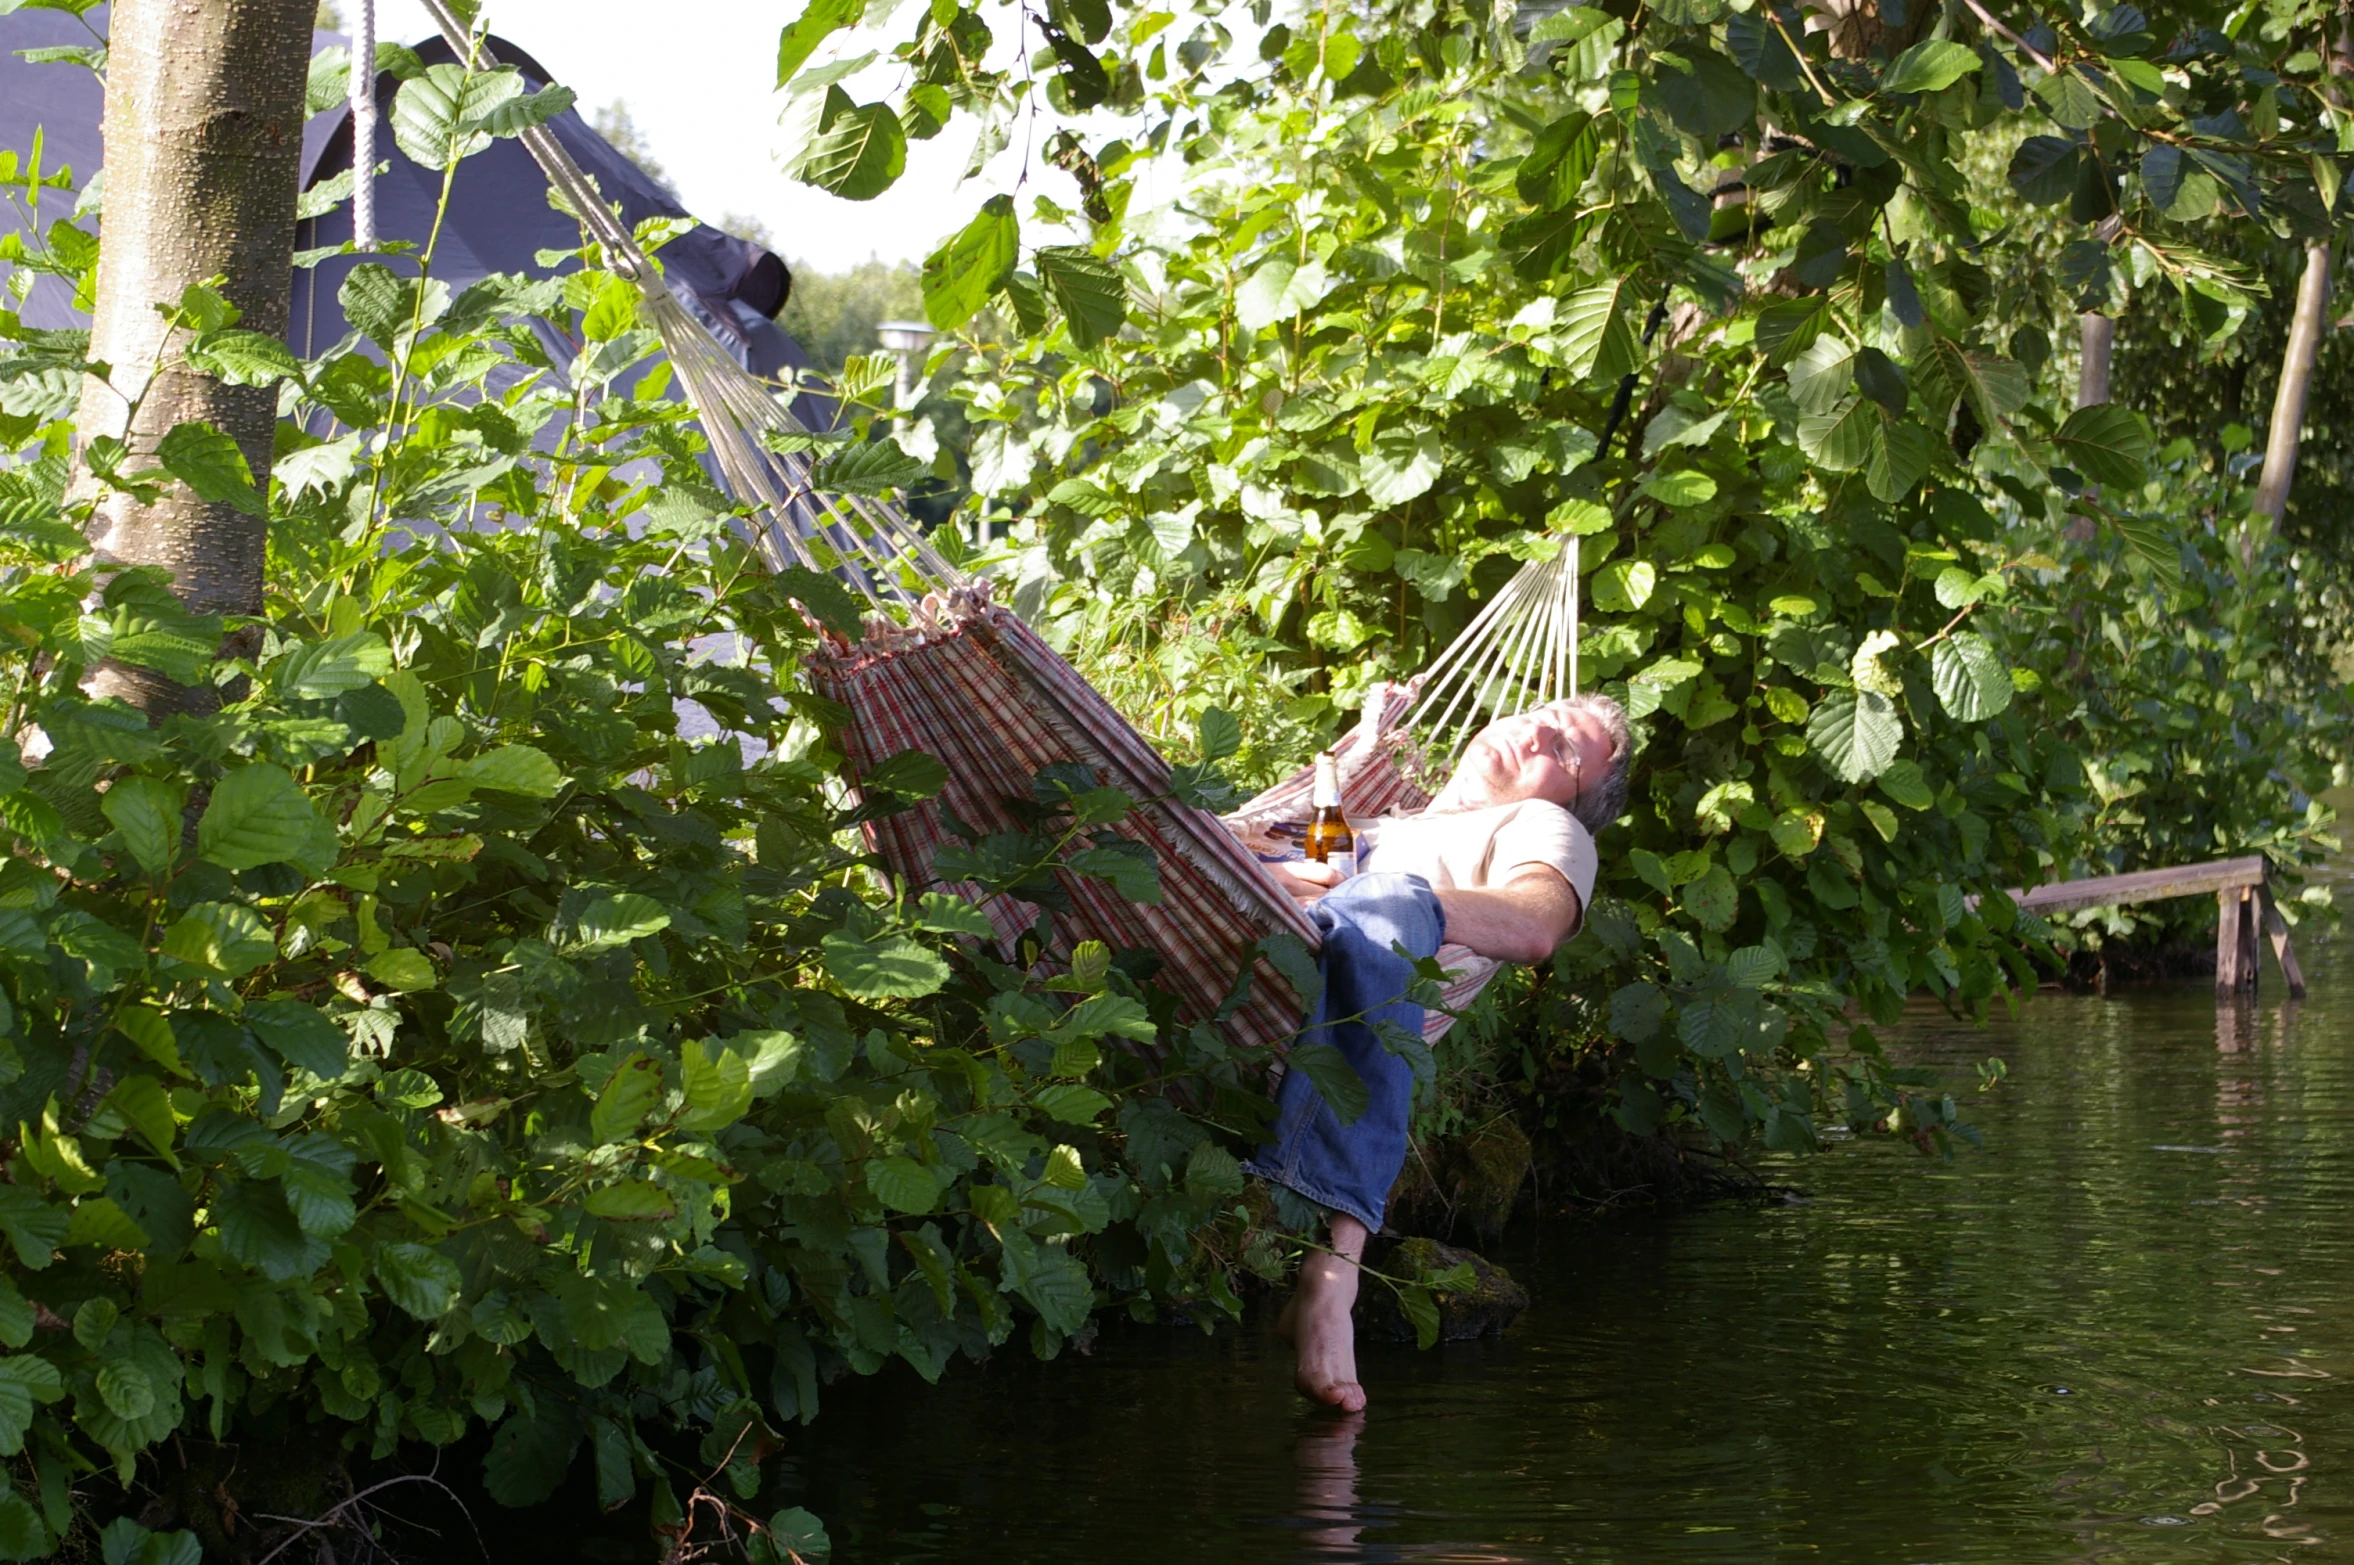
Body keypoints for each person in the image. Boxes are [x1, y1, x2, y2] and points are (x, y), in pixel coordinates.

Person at [1243, 693, 1630, 1412]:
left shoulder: (1545, 826)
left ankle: (1334, 1279)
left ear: (1574, 802)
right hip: (1242, 942)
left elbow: (1538, 920)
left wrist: (1394, 899)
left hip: (1330, 987)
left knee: (1387, 906)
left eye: (1567, 751)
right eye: (1542, 712)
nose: (1537, 728)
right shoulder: (1381, 813)